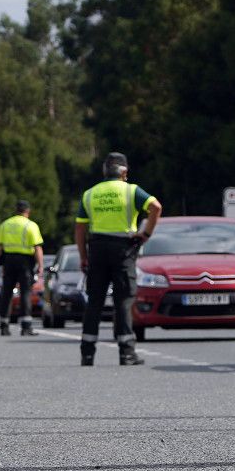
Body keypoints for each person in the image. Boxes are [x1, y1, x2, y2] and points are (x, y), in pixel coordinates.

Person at [74, 152, 162, 366]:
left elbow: (79, 228)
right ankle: (126, 352)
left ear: (105, 172)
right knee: (123, 299)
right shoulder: (131, 190)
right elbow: (156, 207)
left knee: (94, 300)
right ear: (124, 172)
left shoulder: (90, 194)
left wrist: (83, 256)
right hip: (123, 249)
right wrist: (146, 234)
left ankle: (87, 353)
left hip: (97, 248)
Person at [0, 200, 44, 337]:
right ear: (28, 211)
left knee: (7, 293)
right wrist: (40, 266)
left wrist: (1, 261)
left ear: (16, 210)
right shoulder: (31, 225)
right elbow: (37, 247)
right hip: (25, 262)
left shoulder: (5, 224)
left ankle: (4, 326)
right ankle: (26, 327)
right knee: (25, 293)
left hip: (9, 260)